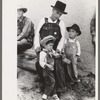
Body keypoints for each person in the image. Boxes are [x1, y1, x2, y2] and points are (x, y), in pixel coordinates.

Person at [34, 0, 67, 93]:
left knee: (58, 65)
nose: (58, 15)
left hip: (54, 49)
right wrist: (37, 46)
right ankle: (42, 84)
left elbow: (62, 38)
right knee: (40, 63)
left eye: (60, 14)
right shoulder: (43, 20)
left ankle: (59, 88)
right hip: (43, 48)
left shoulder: (61, 23)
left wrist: (58, 50)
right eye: (57, 12)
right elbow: (37, 34)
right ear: (52, 10)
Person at [39, 35, 60, 100]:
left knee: (53, 81)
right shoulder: (43, 53)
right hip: (46, 70)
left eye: (52, 45)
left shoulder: (51, 51)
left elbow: (56, 55)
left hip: (51, 70)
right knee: (51, 81)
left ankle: (54, 94)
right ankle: (45, 94)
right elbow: (41, 62)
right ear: (45, 45)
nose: (51, 47)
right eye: (50, 45)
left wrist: (56, 55)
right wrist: (48, 65)